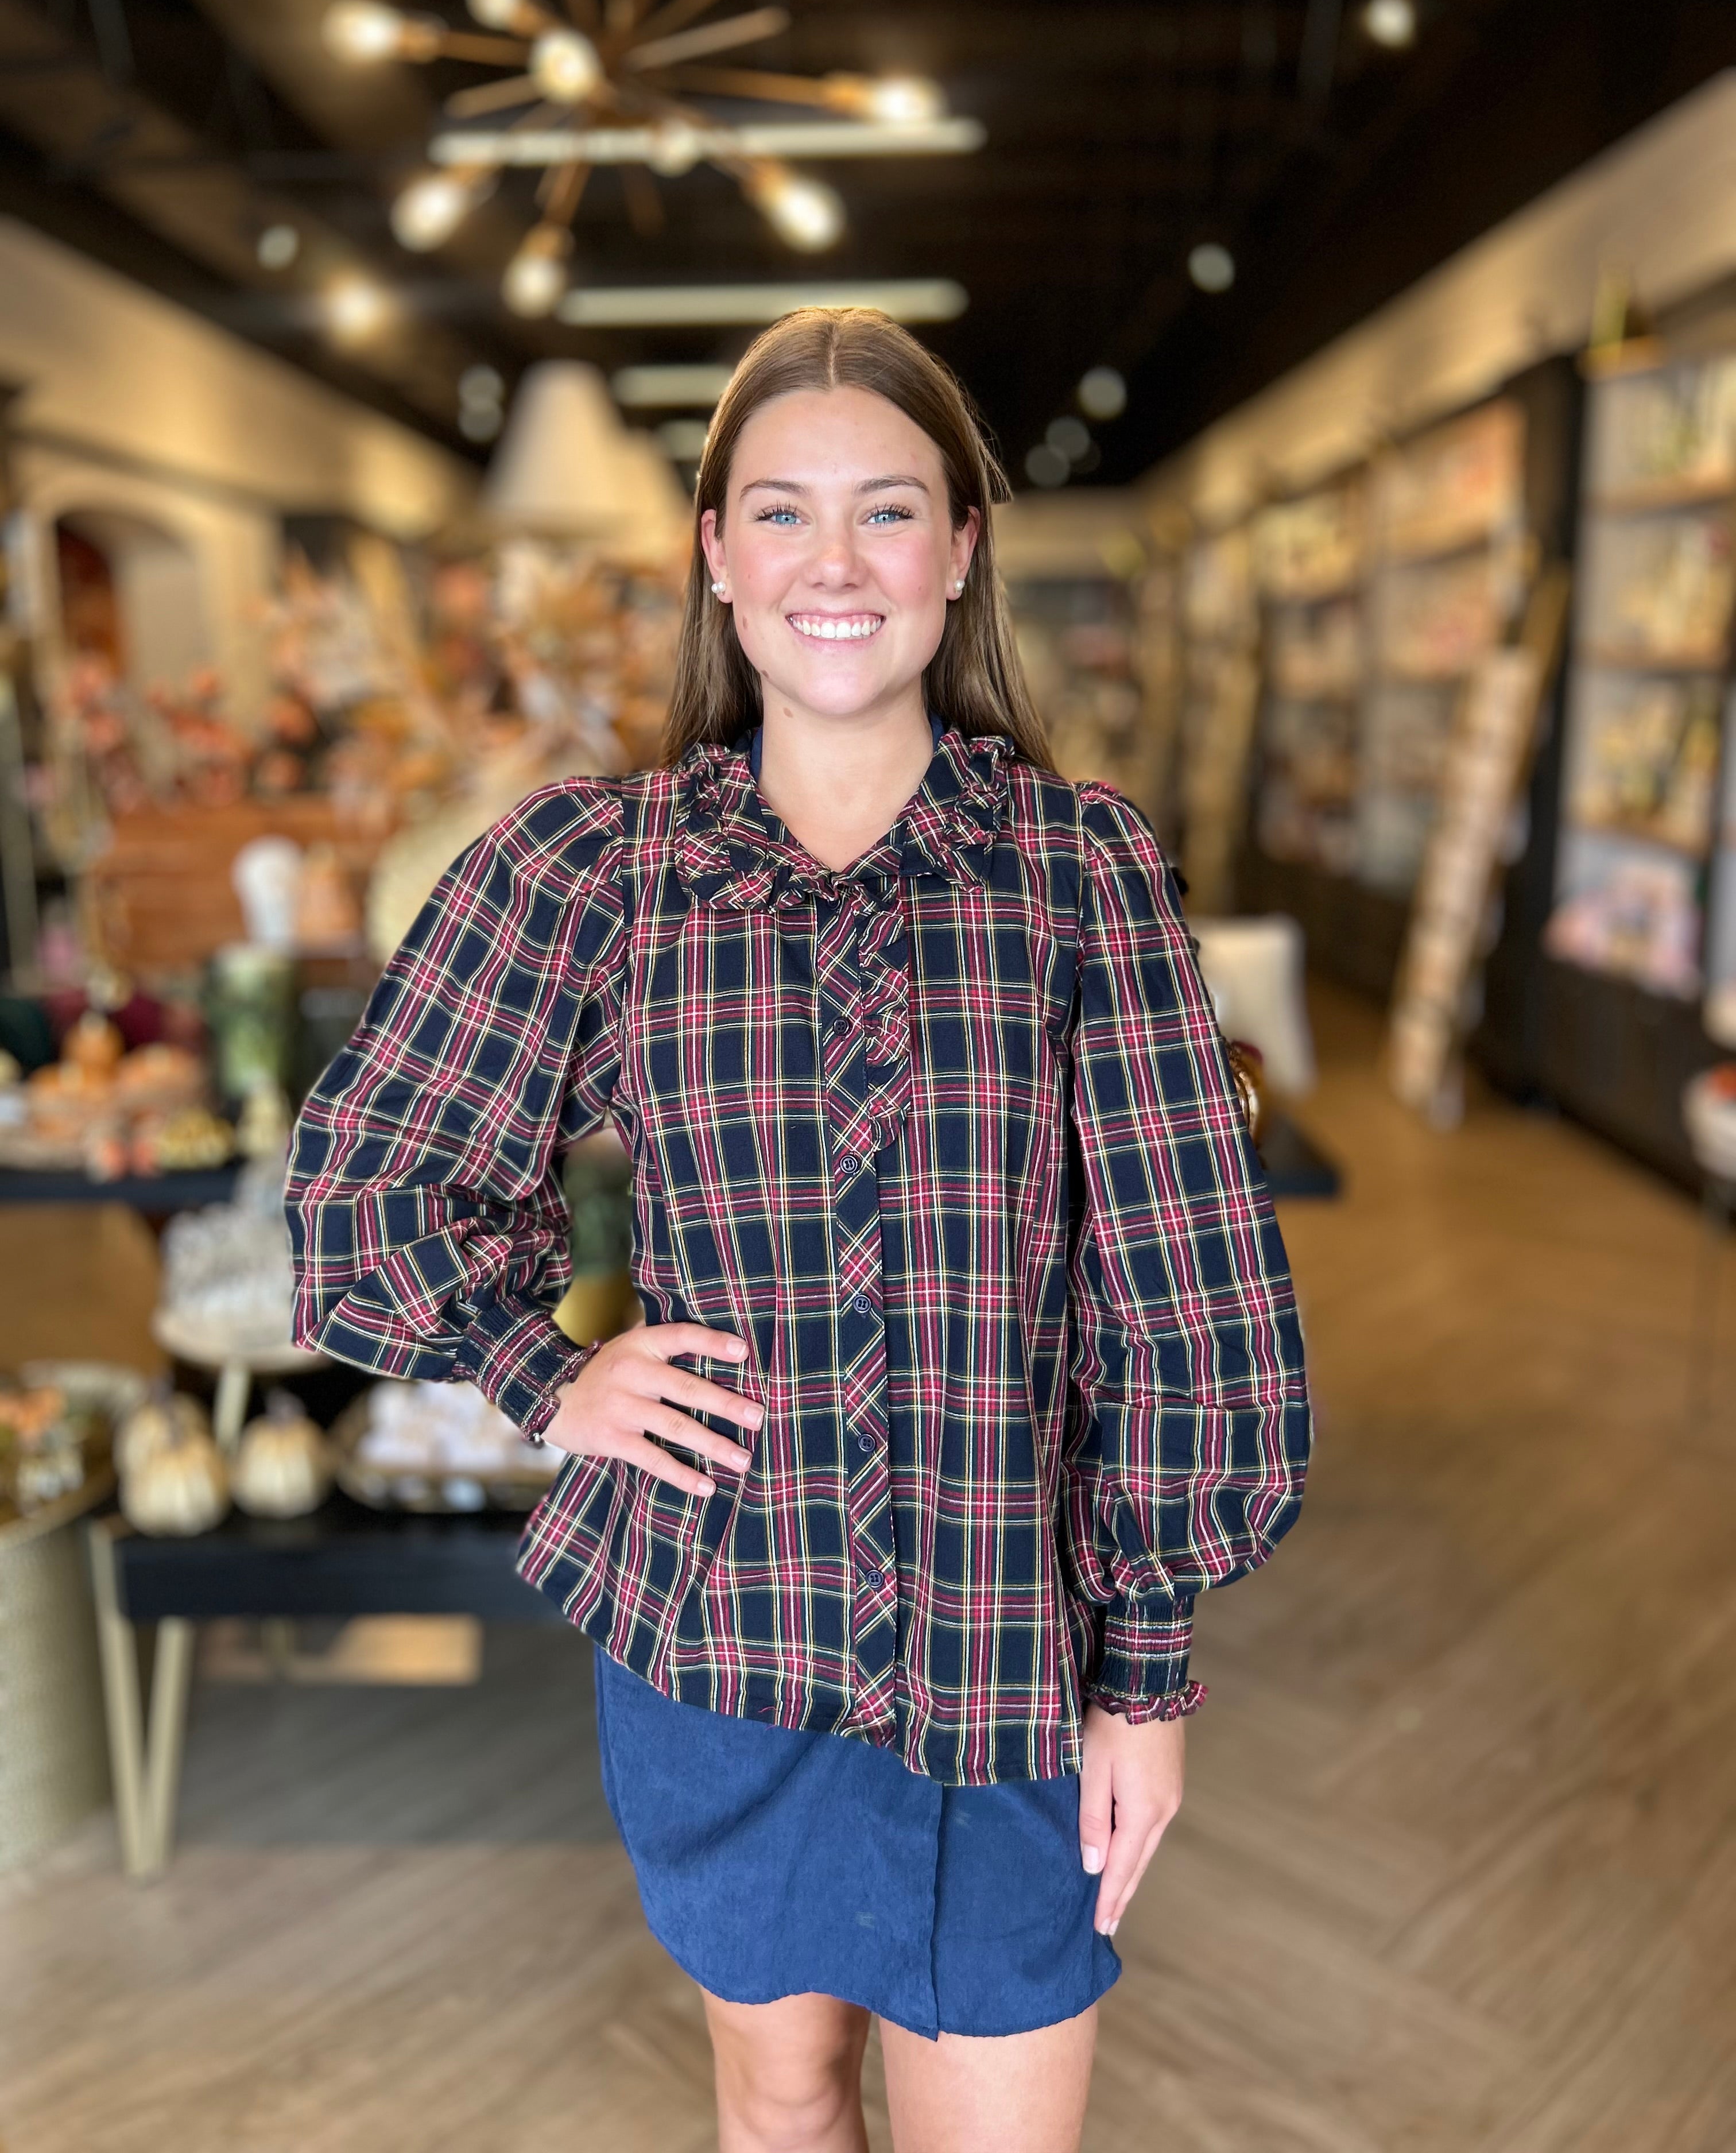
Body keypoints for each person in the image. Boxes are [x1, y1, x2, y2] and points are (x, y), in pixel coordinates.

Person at [284, 308, 1312, 2153]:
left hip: (1008, 1650)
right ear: (715, 552)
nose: (834, 564)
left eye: (887, 511)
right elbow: (369, 1187)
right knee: (781, 2111)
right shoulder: (596, 868)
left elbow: (1187, 1299)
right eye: (781, 512)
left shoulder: (1081, 873)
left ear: (962, 549)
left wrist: (1147, 1673)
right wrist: (549, 1374)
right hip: (719, 1637)